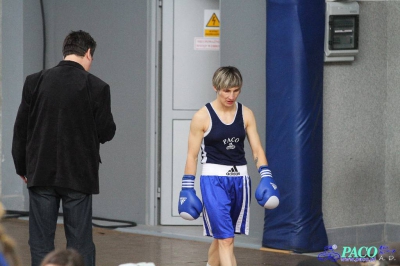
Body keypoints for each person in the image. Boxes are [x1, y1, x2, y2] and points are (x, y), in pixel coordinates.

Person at [12, 30, 116, 266]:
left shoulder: (34, 81)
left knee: (40, 242)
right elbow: (106, 132)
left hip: (40, 172)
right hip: (78, 175)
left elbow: (21, 129)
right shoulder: (97, 86)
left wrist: (22, 166)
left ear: (66, 51)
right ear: (88, 53)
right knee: (80, 243)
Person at [178, 66, 280, 266]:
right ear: (216, 87)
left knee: (223, 235)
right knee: (227, 239)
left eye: (235, 90)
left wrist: (266, 176)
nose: (231, 95)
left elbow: (257, 149)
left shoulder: (246, 114)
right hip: (213, 182)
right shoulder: (202, 116)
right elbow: (192, 155)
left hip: (240, 181)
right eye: (226, 90)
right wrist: (187, 187)